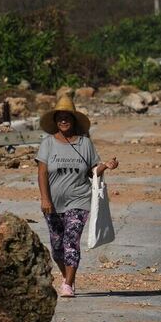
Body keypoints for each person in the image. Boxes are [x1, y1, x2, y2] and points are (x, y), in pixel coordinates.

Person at [37, 96, 119, 297]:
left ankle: (67, 284)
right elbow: (41, 173)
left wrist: (105, 166)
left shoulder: (85, 144)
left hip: (79, 200)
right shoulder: (47, 144)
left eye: (67, 118)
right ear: (55, 121)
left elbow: (92, 171)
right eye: (60, 118)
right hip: (54, 204)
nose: (63, 121)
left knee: (71, 240)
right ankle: (68, 277)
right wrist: (45, 199)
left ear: (74, 121)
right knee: (57, 247)